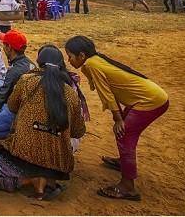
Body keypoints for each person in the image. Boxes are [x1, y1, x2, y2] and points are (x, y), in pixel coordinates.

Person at [65, 35, 169, 201]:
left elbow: (107, 94)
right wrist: (119, 117)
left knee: (125, 134)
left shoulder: (92, 65)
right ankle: (124, 162)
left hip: (150, 101)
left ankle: (128, 187)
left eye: (70, 56)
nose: (68, 60)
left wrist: (118, 119)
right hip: (150, 97)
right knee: (124, 132)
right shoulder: (94, 61)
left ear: (82, 55)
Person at [0, 45, 86, 201]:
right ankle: (48, 182)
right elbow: (78, 132)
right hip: (57, 164)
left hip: (22, 157)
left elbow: (12, 106)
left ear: (39, 62)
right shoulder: (70, 93)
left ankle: (29, 181)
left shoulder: (27, 81)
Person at [0, 30, 35, 140]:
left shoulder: (15, 71)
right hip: (27, 112)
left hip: (15, 112)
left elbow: (1, 97)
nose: (2, 47)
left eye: (4, 44)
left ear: (9, 48)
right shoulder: (31, 64)